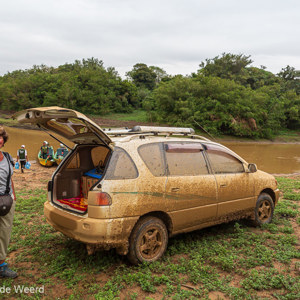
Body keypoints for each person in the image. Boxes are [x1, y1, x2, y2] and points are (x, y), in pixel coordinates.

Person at [0, 126, 17, 278]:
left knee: (4, 233)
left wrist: (14, 196)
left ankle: (1, 265)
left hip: (7, 201)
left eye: (0, 136)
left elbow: (9, 178)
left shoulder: (7, 157)